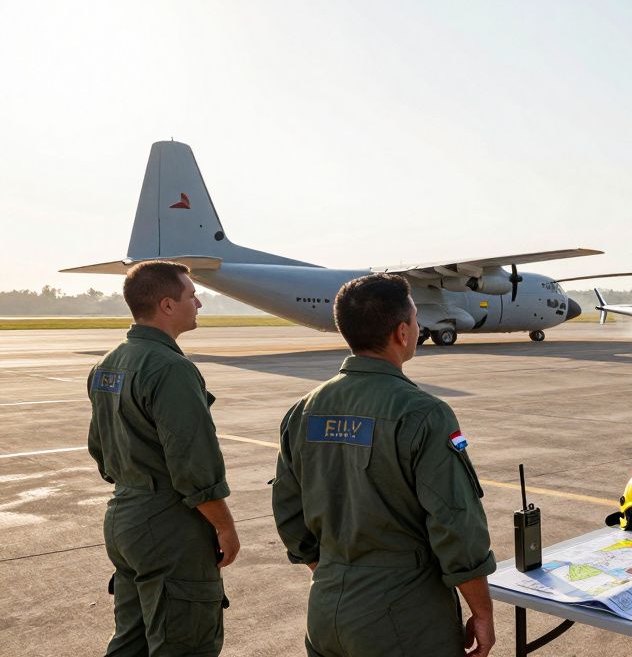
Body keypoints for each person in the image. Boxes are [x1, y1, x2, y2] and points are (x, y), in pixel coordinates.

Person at [272, 274, 495, 657]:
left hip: (327, 609)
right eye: (415, 320)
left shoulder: (304, 410)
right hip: (404, 618)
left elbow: (288, 512)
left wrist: (339, 573)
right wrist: (482, 611)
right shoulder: (423, 413)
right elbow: (456, 524)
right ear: (402, 332)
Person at [87, 260, 238, 656]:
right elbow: (194, 466)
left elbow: (101, 452)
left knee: (131, 642)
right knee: (184, 643)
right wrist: (224, 526)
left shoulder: (107, 365)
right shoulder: (171, 369)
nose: (199, 303)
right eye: (192, 295)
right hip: (168, 526)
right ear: (167, 305)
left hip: (124, 515)